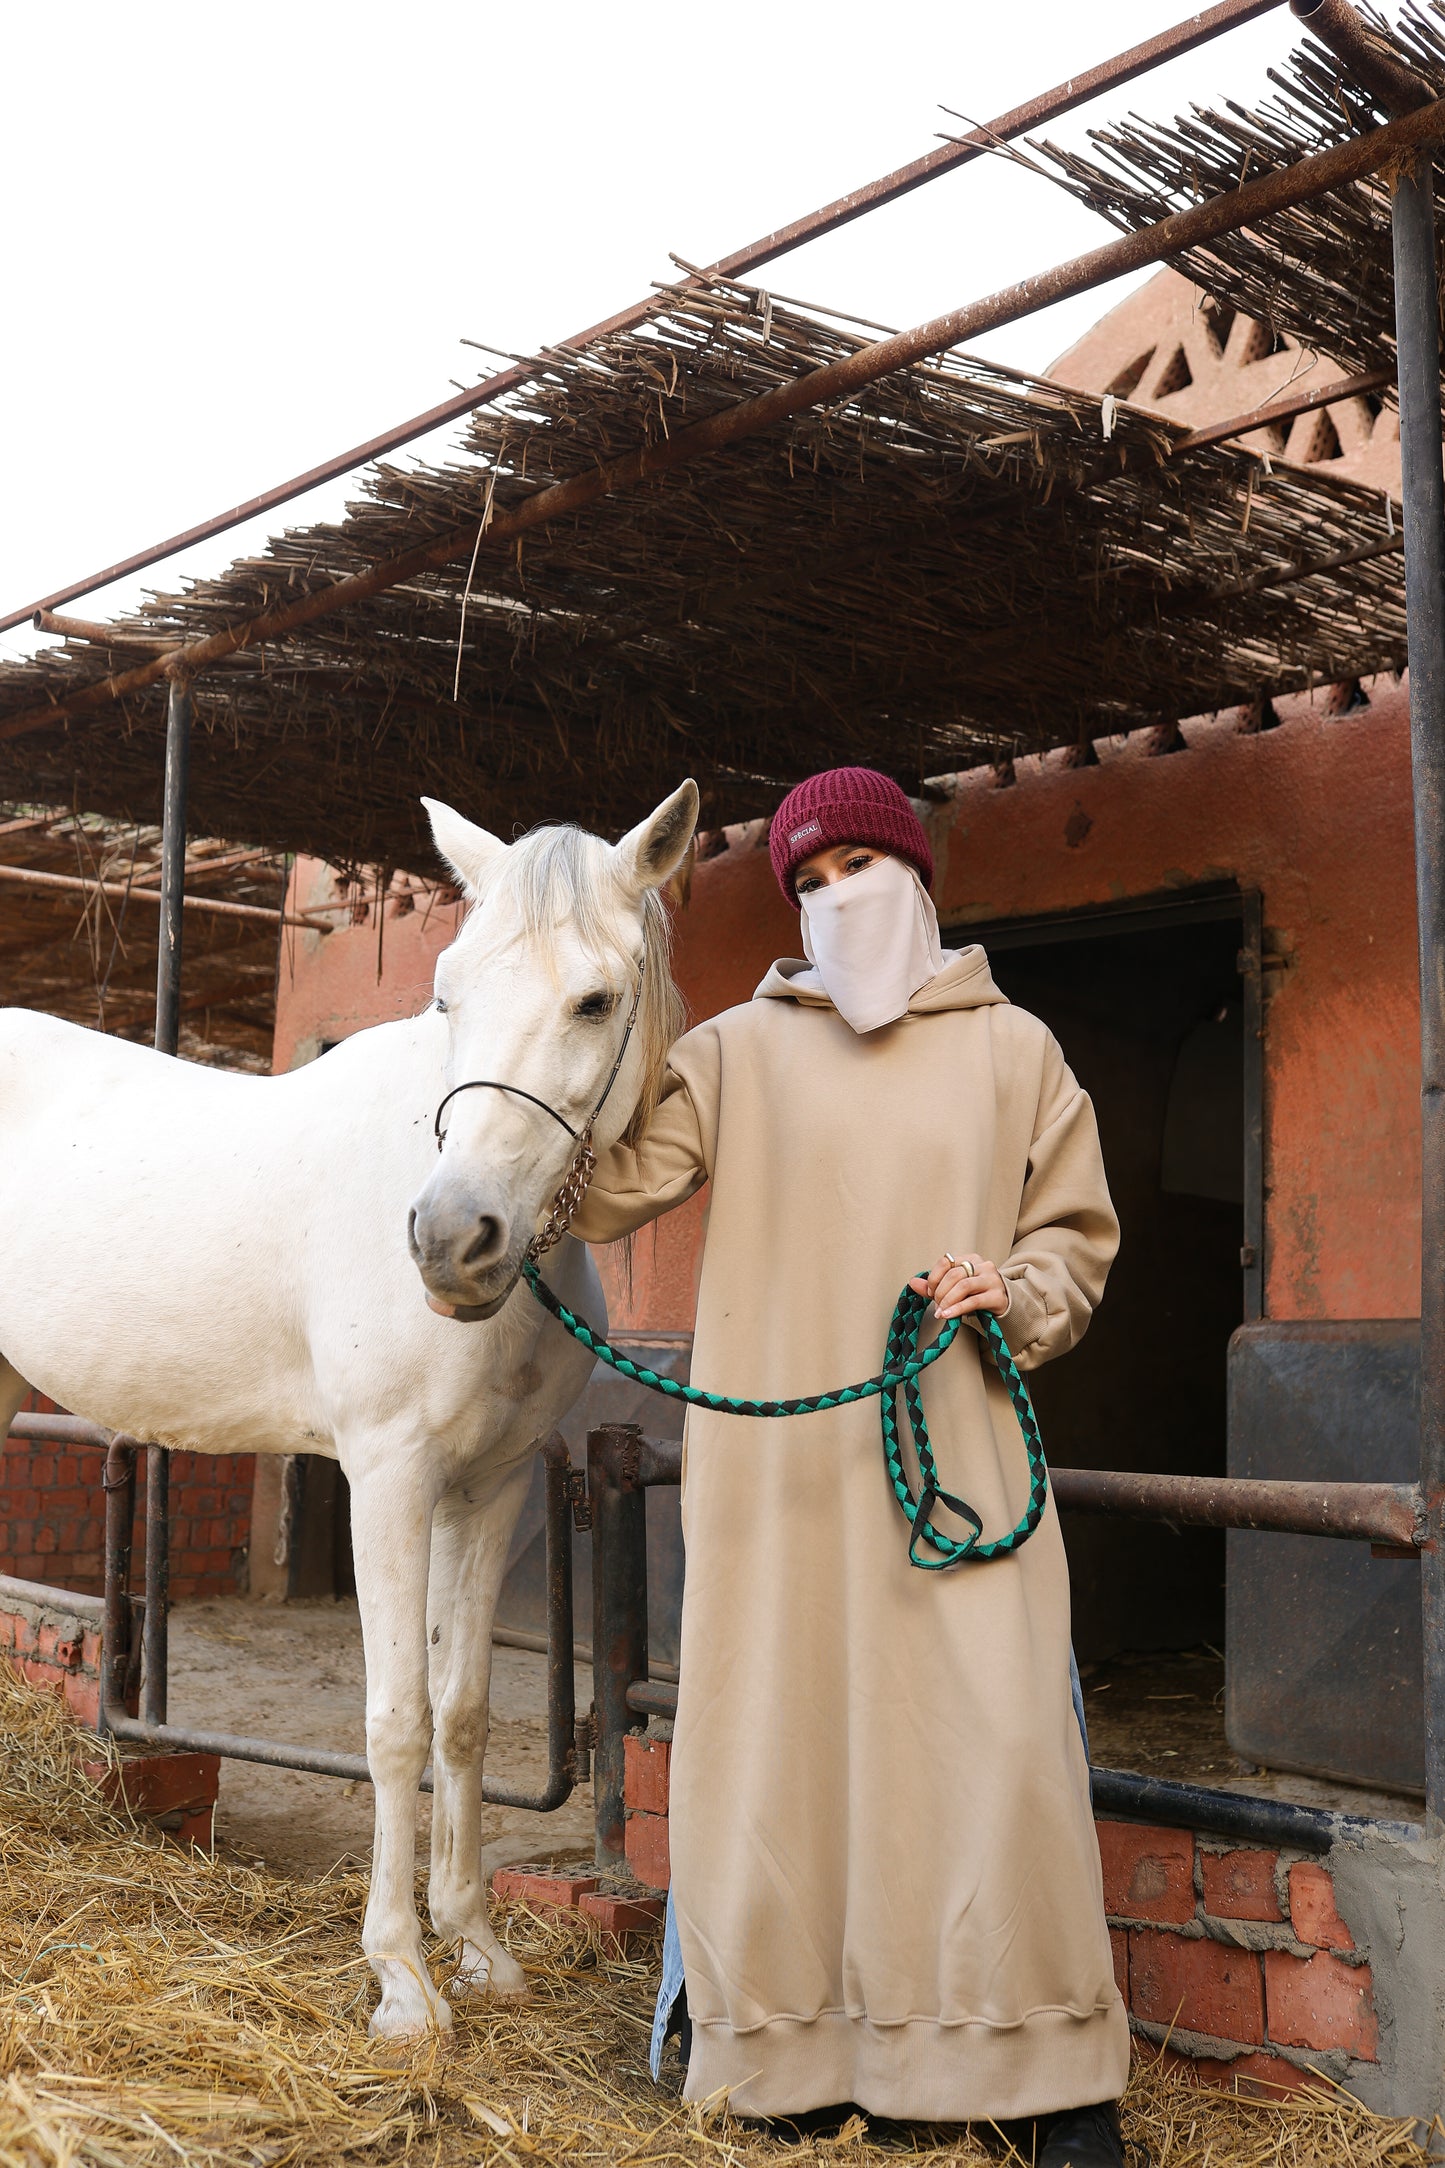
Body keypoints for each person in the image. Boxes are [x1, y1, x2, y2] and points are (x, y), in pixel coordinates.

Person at [571, 766, 1129, 2167]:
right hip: (774, 1485)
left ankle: (1044, 2074)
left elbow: (1073, 1240)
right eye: (805, 888)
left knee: (996, 1750)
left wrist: (1007, 1284)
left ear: (917, 877)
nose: (834, 904)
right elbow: (609, 1179)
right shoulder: (734, 1053)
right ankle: (785, 2058)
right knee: (778, 1753)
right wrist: (584, 1023)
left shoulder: (1019, 1052)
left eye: (857, 873)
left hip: (958, 1463)